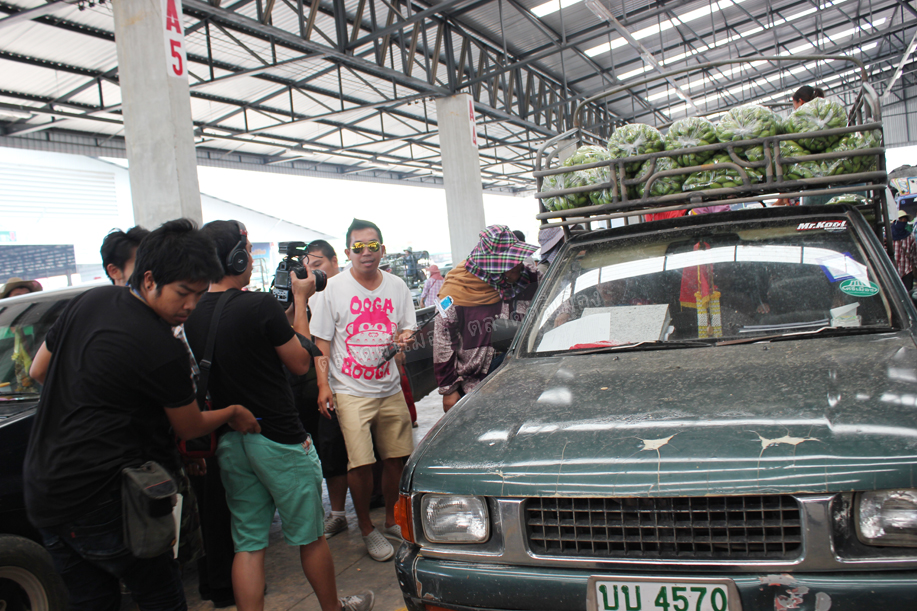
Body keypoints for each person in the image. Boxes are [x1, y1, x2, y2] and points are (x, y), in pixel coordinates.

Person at [22, 219, 261, 611]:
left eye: (199, 294)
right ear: (149, 279)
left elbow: (38, 370)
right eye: (182, 293)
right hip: (105, 499)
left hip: (45, 489)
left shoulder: (89, 301)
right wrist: (233, 411)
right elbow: (189, 425)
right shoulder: (161, 346)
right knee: (160, 596)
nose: (190, 306)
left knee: (92, 602)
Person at [183, 221, 373, 611]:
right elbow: (301, 362)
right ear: (236, 258)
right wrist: (300, 301)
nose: (252, 259)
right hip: (280, 439)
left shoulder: (193, 312)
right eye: (247, 251)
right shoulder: (259, 306)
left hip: (233, 440)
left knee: (248, 544)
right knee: (310, 537)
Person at [311, 218, 417, 562]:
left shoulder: (397, 286)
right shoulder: (332, 289)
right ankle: (367, 529)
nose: (366, 252)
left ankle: (391, 520)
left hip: (389, 387)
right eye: (358, 247)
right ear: (347, 252)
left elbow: (406, 329)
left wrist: (404, 340)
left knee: (396, 458)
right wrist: (323, 385)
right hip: (350, 390)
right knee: (359, 463)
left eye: (372, 246)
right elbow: (322, 342)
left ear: (382, 249)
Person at [434, 225, 539, 412]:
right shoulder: (455, 292)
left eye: (518, 259)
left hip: (525, 379)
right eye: (512, 263)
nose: (519, 265)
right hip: (475, 385)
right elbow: (443, 341)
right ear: (495, 268)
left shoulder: (530, 278)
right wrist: (449, 390)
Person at [892, 209, 917, 291]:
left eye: (905, 220)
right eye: (901, 219)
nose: (903, 221)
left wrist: (915, 265)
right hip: (892, 271)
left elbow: (914, 253)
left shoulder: (909, 236)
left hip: (907, 270)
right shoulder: (888, 236)